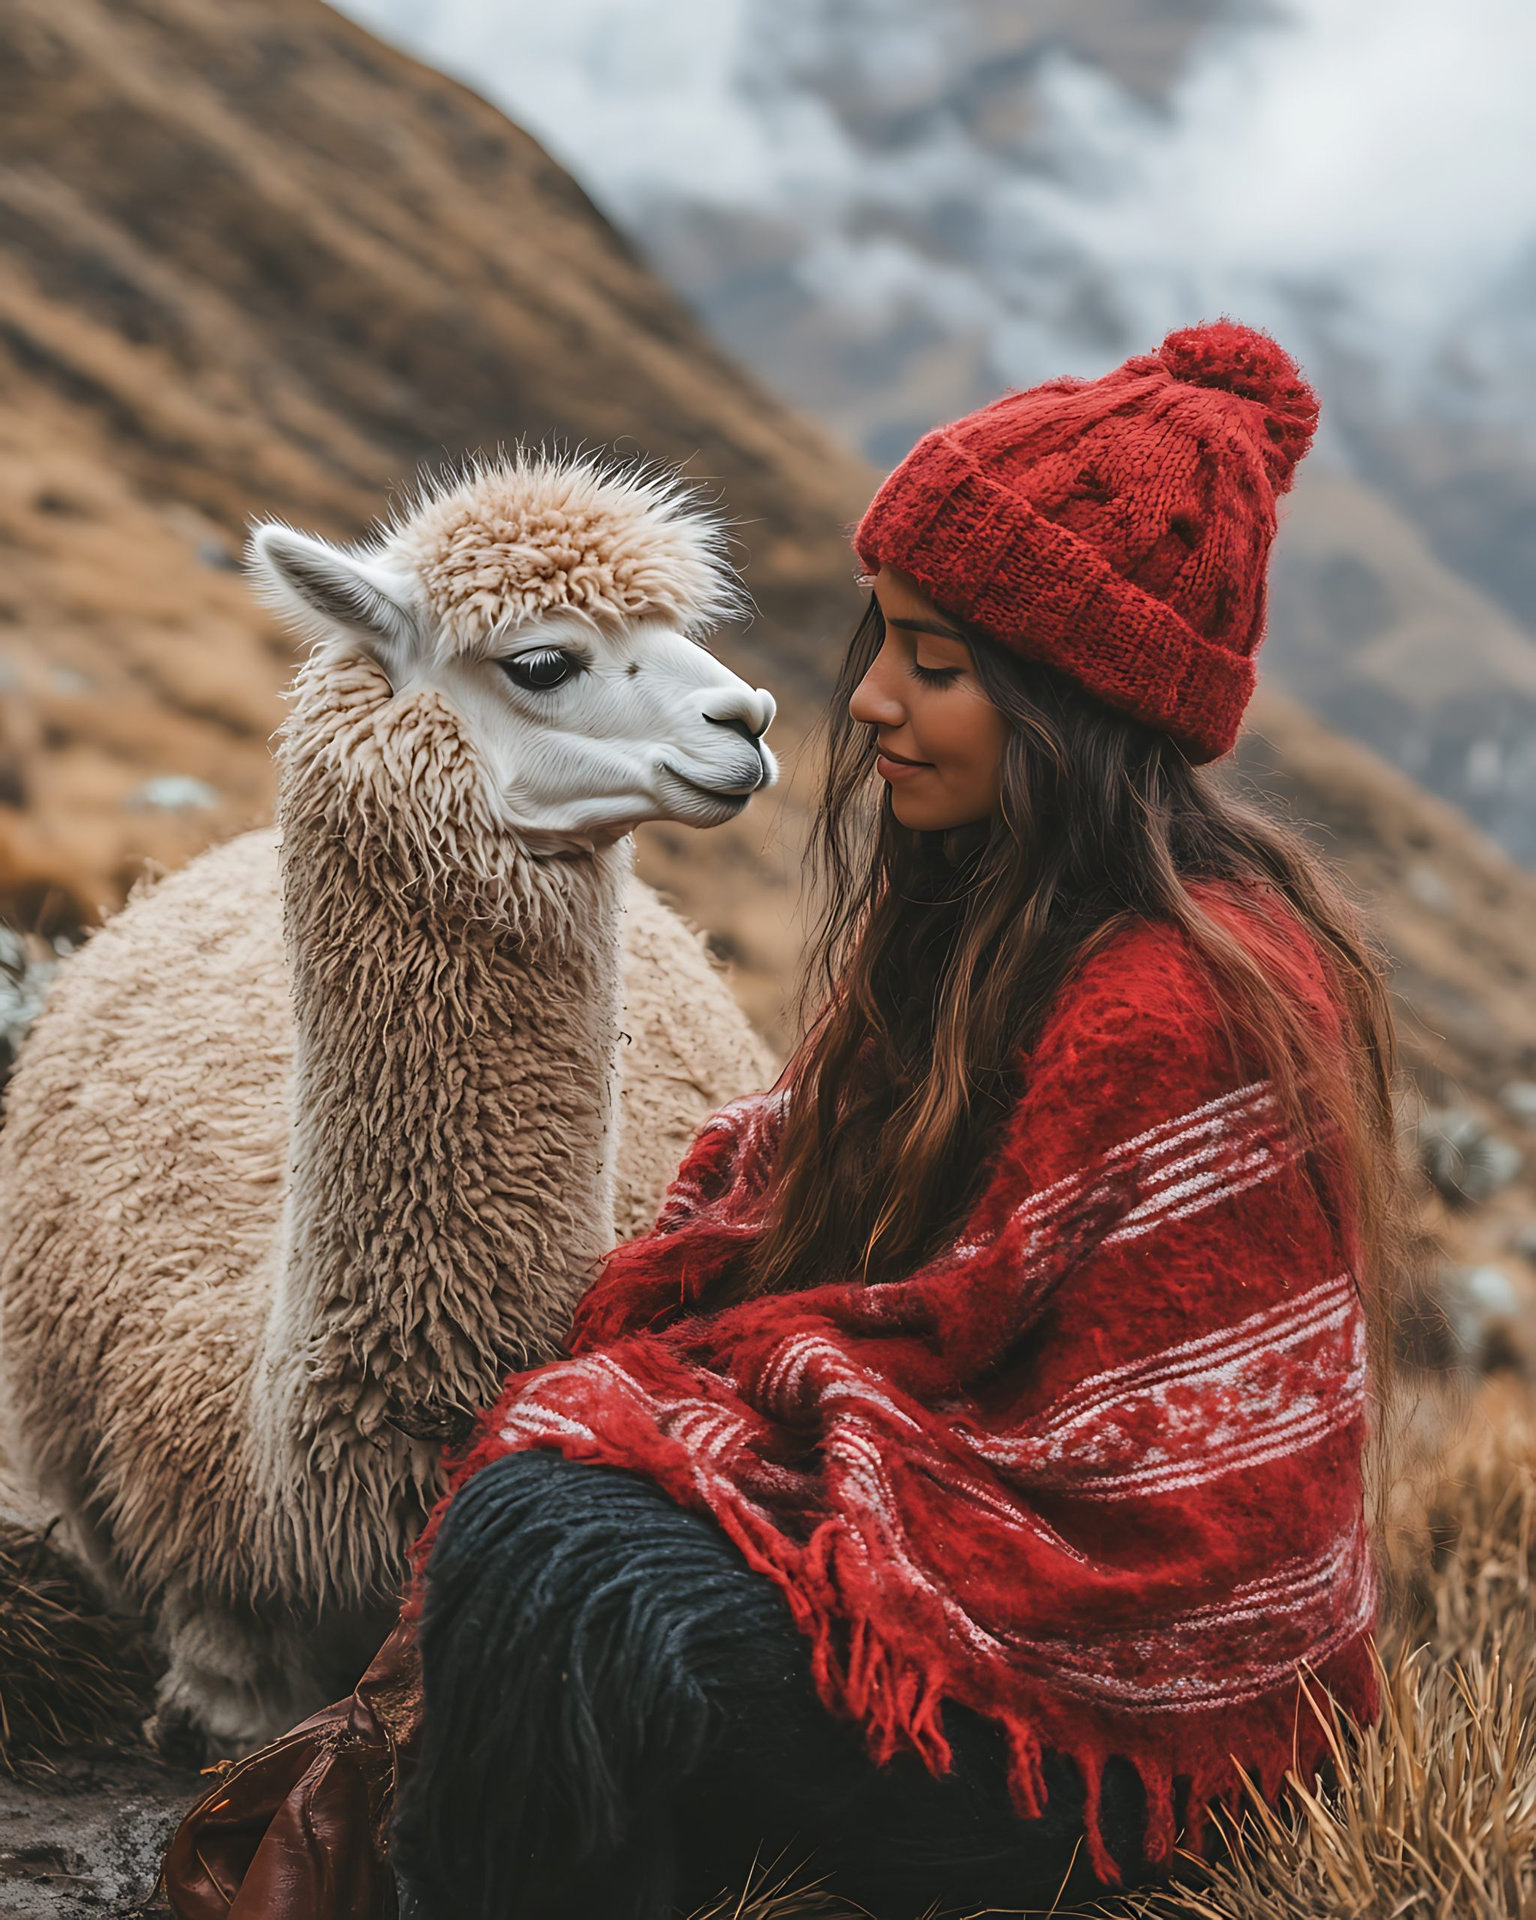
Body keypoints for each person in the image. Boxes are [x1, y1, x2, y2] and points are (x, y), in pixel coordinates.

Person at [160, 321, 1405, 1920]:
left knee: (573, 1558)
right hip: (983, 1605)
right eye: (881, 641)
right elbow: (862, 1277)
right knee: (558, 1502)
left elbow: (1124, 1482)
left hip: (1115, 1732)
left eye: (937, 668)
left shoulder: (1183, 1008)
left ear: (1077, 708)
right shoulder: (986, 930)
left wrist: (720, 1414)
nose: (867, 701)